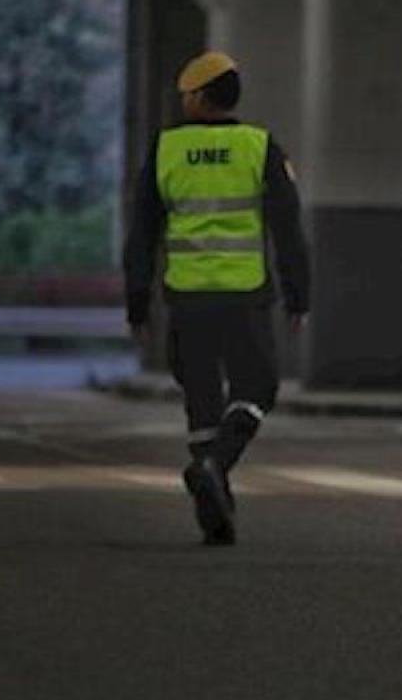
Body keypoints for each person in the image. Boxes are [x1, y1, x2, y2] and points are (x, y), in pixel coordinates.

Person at [123, 51, 310, 546]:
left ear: (202, 96)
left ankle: (212, 497)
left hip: (186, 299)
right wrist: (299, 295)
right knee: (258, 388)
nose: (183, 101)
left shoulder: (165, 150)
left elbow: (141, 234)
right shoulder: (260, 147)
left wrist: (137, 302)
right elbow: (289, 229)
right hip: (245, 296)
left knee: (201, 401)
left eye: (187, 94)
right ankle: (216, 472)